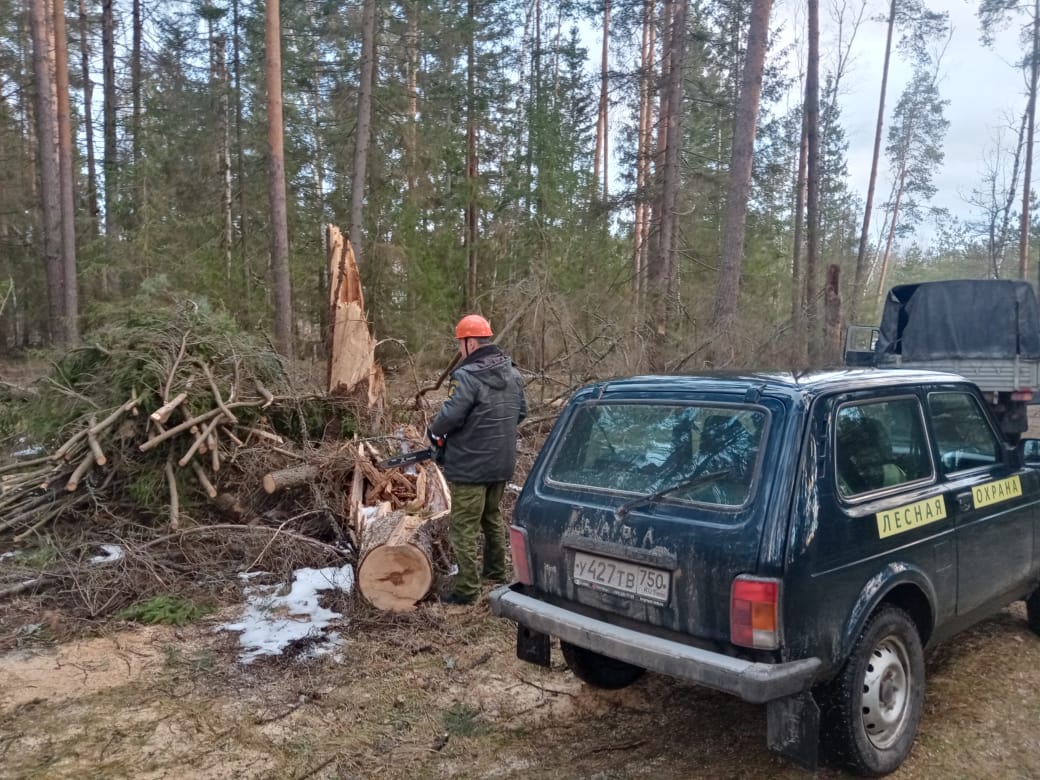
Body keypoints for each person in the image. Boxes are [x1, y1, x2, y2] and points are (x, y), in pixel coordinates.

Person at [429, 314, 527, 605]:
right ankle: (496, 572)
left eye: (461, 344)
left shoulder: (466, 376)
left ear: (471, 342)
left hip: (470, 466)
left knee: (463, 527)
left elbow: (449, 417)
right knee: (491, 516)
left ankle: (467, 590)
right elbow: (521, 412)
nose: (460, 350)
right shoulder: (513, 373)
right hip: (502, 462)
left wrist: (434, 434)